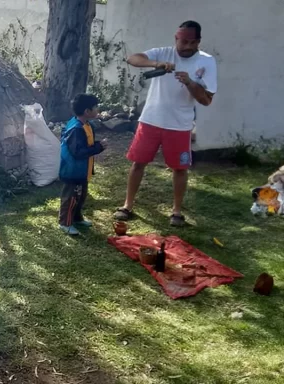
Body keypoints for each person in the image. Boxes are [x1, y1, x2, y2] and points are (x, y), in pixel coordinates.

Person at [114, 21, 217, 227]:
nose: (186, 46)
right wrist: (156, 64)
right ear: (176, 38)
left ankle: (176, 212)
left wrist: (190, 83)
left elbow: (206, 100)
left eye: (191, 42)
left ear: (198, 41)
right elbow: (133, 58)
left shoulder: (207, 61)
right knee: (138, 163)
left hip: (179, 125)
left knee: (180, 169)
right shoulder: (163, 53)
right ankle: (127, 206)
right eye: (182, 41)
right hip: (151, 120)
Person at [58, 94, 107, 236]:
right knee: (71, 197)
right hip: (73, 171)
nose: (98, 109)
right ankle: (65, 223)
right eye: (96, 107)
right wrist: (99, 148)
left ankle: (77, 218)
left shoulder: (87, 125)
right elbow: (77, 152)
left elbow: (86, 145)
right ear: (87, 111)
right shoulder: (76, 129)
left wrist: (97, 145)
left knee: (81, 196)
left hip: (82, 171)